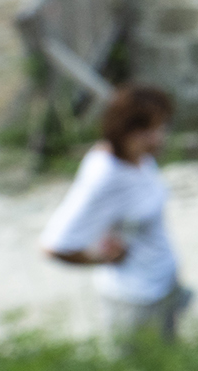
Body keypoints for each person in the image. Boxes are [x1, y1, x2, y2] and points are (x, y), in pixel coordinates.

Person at [41, 85, 187, 346]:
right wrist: (100, 258)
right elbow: (55, 245)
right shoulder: (106, 176)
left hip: (162, 284)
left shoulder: (140, 158)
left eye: (162, 127)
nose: (160, 137)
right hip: (134, 299)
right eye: (150, 130)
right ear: (126, 130)